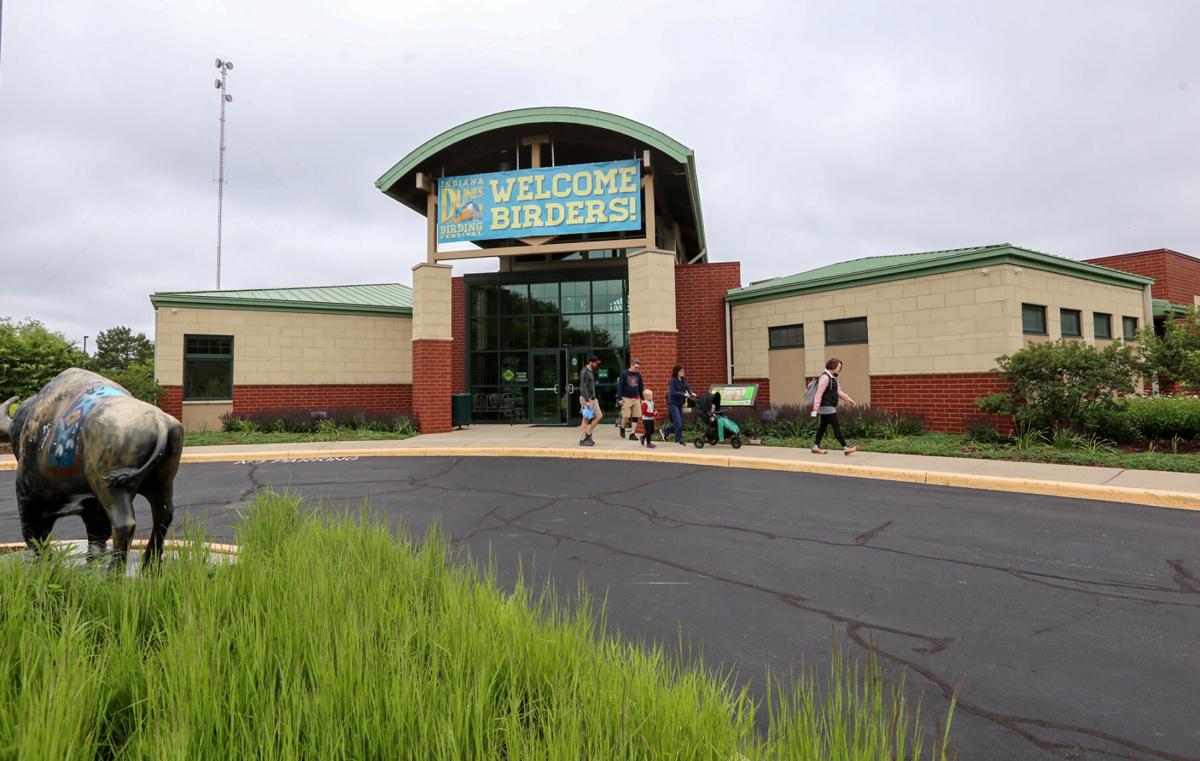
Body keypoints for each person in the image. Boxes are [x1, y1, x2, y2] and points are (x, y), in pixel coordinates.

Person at [811, 358, 858, 455]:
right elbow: (818, 394)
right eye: (838, 367)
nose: (839, 370)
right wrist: (815, 409)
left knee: (822, 427)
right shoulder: (825, 378)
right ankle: (845, 447)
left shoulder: (833, 378)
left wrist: (849, 399)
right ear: (833, 367)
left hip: (828, 406)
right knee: (836, 426)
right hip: (827, 406)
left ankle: (816, 446)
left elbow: (839, 392)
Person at [659, 365, 696, 445]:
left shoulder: (683, 380)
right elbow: (672, 392)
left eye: (683, 371)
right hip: (673, 403)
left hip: (679, 403)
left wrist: (691, 392)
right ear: (677, 372)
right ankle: (677, 441)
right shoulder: (672, 380)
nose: (683, 372)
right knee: (678, 422)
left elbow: (688, 386)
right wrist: (683, 394)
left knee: (680, 423)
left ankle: (665, 431)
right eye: (681, 371)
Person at [617, 358, 645, 441]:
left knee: (636, 416)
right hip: (626, 398)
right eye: (635, 367)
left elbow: (641, 386)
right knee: (626, 416)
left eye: (638, 368)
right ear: (632, 365)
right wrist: (619, 398)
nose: (637, 369)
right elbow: (620, 386)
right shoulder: (624, 374)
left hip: (636, 398)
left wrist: (642, 398)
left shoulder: (638, 374)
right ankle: (622, 428)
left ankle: (632, 433)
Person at [578, 356, 603, 446]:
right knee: (586, 419)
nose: (596, 364)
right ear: (590, 362)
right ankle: (582, 439)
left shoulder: (591, 371)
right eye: (595, 363)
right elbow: (583, 386)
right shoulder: (584, 371)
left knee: (599, 416)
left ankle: (588, 434)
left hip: (593, 398)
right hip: (586, 398)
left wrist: (594, 398)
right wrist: (587, 400)